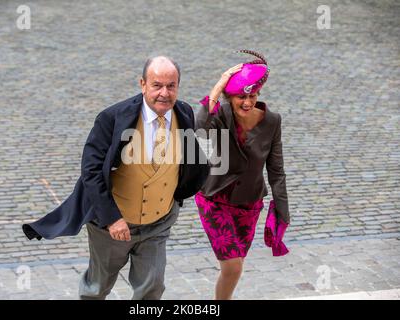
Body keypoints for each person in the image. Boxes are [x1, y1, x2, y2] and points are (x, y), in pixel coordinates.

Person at [22, 56, 209, 300]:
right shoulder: (112, 118)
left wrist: (177, 198)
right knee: (97, 288)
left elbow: (192, 157)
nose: (164, 93)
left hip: (159, 222)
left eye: (171, 85)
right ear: (143, 84)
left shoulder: (183, 112)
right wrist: (112, 219)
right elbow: (90, 171)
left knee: (152, 288)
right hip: (113, 227)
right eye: (157, 85)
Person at [194, 50, 290, 300]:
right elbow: (199, 127)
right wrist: (217, 86)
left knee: (233, 268)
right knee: (233, 266)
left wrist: (282, 211)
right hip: (214, 200)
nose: (247, 102)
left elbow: (276, 171)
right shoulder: (221, 115)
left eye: (253, 95)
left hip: (249, 205)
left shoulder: (272, 122)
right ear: (229, 96)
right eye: (240, 96)